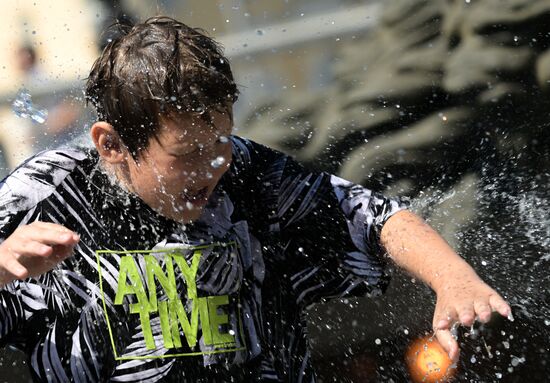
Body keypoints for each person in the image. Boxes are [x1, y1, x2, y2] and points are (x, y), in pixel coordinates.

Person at [0, 17, 510, 382]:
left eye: (220, 139)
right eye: (187, 153)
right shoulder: (46, 196)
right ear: (111, 145)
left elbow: (374, 217)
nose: (214, 165)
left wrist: (452, 278)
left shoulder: (252, 175)